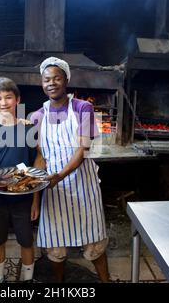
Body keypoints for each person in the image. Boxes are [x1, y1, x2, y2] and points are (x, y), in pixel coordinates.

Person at [31, 57, 110, 282]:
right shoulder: (37, 116)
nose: (52, 83)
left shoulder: (83, 107)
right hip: (52, 188)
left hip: (82, 185)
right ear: (42, 83)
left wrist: (61, 175)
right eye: (47, 79)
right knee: (56, 246)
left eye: (57, 78)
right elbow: (40, 156)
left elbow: (83, 149)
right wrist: (36, 197)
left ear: (66, 80)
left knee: (94, 242)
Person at [0, 77, 39, 283]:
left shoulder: (28, 128)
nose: (3, 102)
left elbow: (35, 165)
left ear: (17, 99)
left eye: (8, 97)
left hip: (23, 197)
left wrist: (35, 200)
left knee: (26, 241)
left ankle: (28, 280)